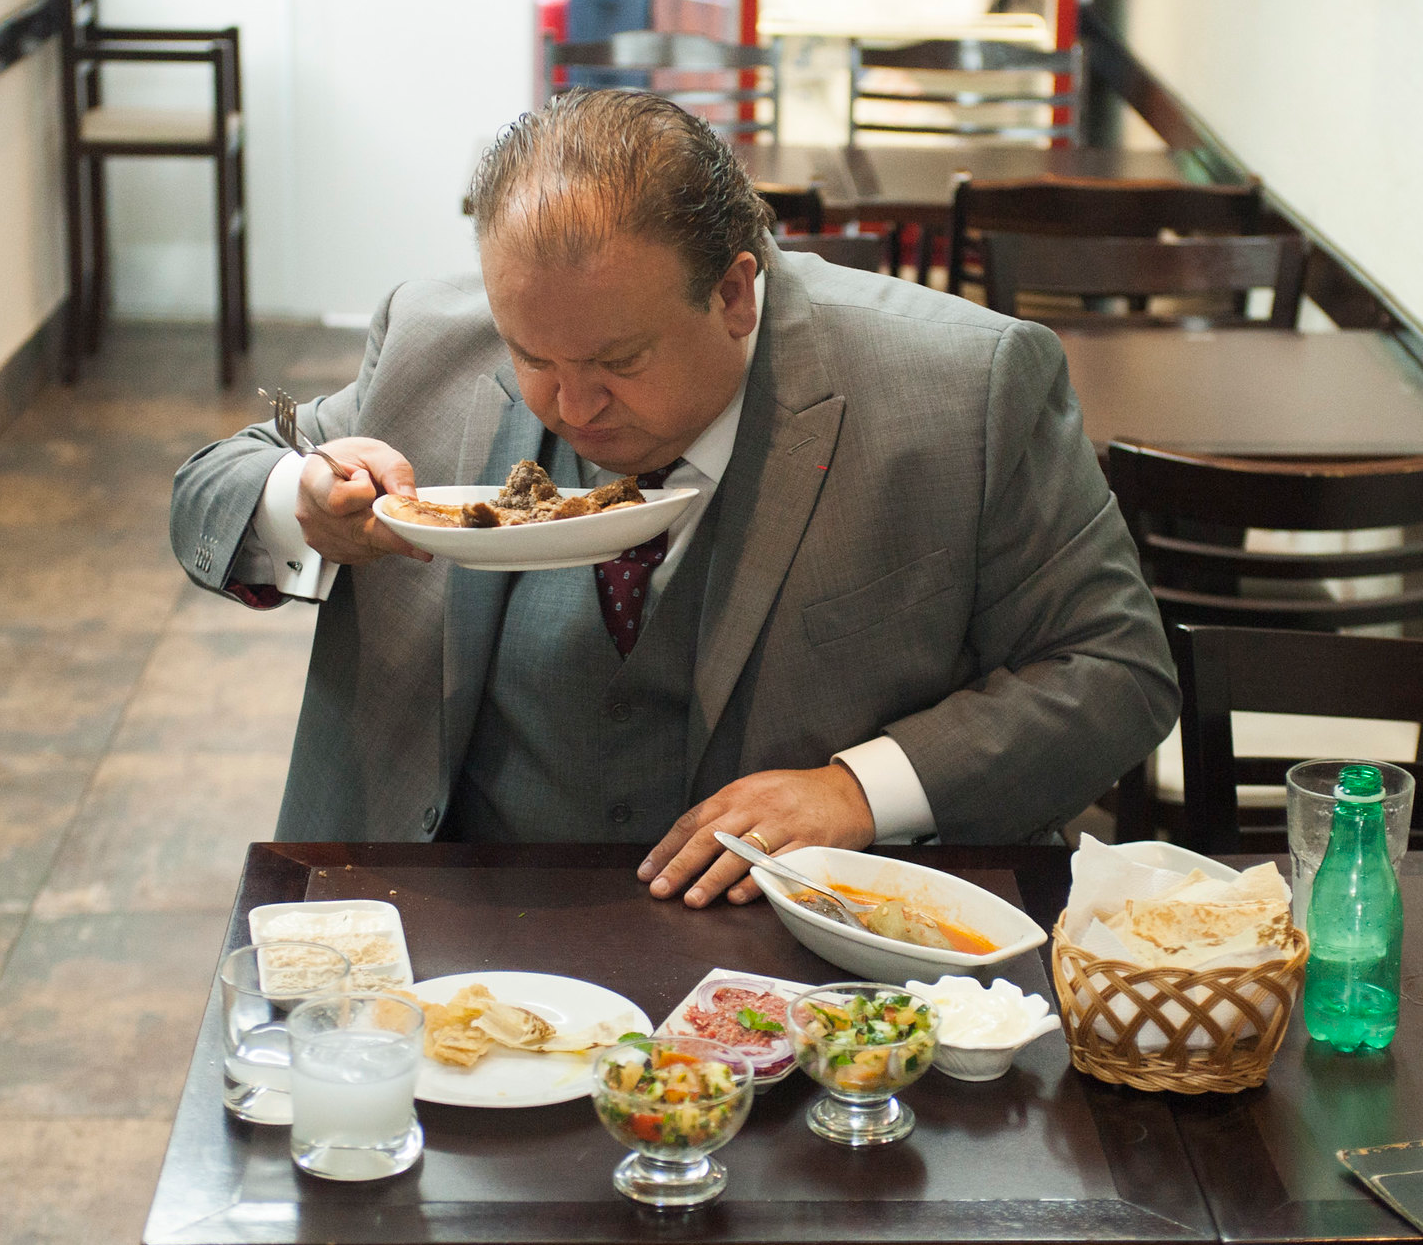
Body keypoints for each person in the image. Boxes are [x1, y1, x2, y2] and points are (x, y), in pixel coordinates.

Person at [170, 89, 1178, 910]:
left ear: (736, 292)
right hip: (441, 918)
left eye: (619, 360)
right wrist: (303, 498)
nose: (570, 404)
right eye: (533, 356)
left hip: (798, 955)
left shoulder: (965, 389)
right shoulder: (437, 336)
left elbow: (1118, 670)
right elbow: (209, 492)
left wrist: (858, 790)